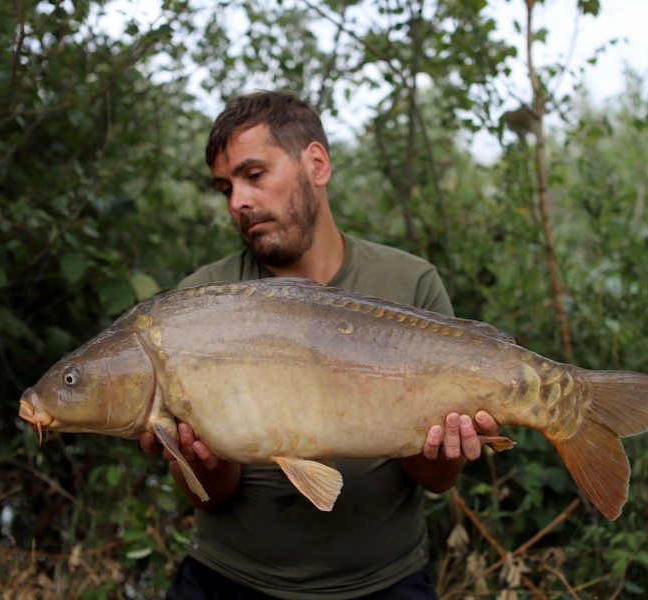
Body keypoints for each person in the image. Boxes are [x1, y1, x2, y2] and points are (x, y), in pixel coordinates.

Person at [140, 90, 500, 599]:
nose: (238, 201)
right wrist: (197, 460)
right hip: (230, 578)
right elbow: (211, 497)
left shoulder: (408, 281)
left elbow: (435, 479)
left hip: (383, 583)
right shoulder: (199, 306)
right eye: (225, 187)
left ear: (316, 163)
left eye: (254, 175)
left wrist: (448, 448)